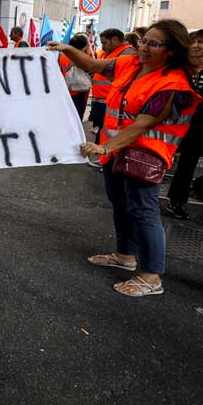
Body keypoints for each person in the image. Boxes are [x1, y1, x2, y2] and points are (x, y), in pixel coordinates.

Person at [48, 20, 200, 297]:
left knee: (144, 213)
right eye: (143, 41)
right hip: (117, 152)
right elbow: (94, 66)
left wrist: (104, 148)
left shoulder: (172, 84)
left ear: (171, 50)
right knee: (121, 205)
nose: (143, 47)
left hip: (144, 157)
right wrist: (67, 48)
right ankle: (125, 255)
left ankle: (151, 275)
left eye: (152, 43)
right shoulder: (130, 64)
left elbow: (143, 124)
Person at [165, 29, 203, 219]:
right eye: (194, 42)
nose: (197, 46)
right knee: (186, 164)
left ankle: (198, 187)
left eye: (201, 42)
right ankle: (176, 201)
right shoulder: (181, 69)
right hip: (184, 124)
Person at [89, 29, 137, 143]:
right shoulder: (107, 52)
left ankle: (104, 153)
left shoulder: (127, 53)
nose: (103, 46)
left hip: (110, 101)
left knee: (107, 130)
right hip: (100, 99)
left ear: (115, 40)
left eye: (104, 42)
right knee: (101, 129)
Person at [58, 33, 93, 119]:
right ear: (84, 46)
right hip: (78, 92)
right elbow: (91, 73)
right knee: (76, 118)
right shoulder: (83, 57)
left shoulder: (62, 55)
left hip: (63, 92)